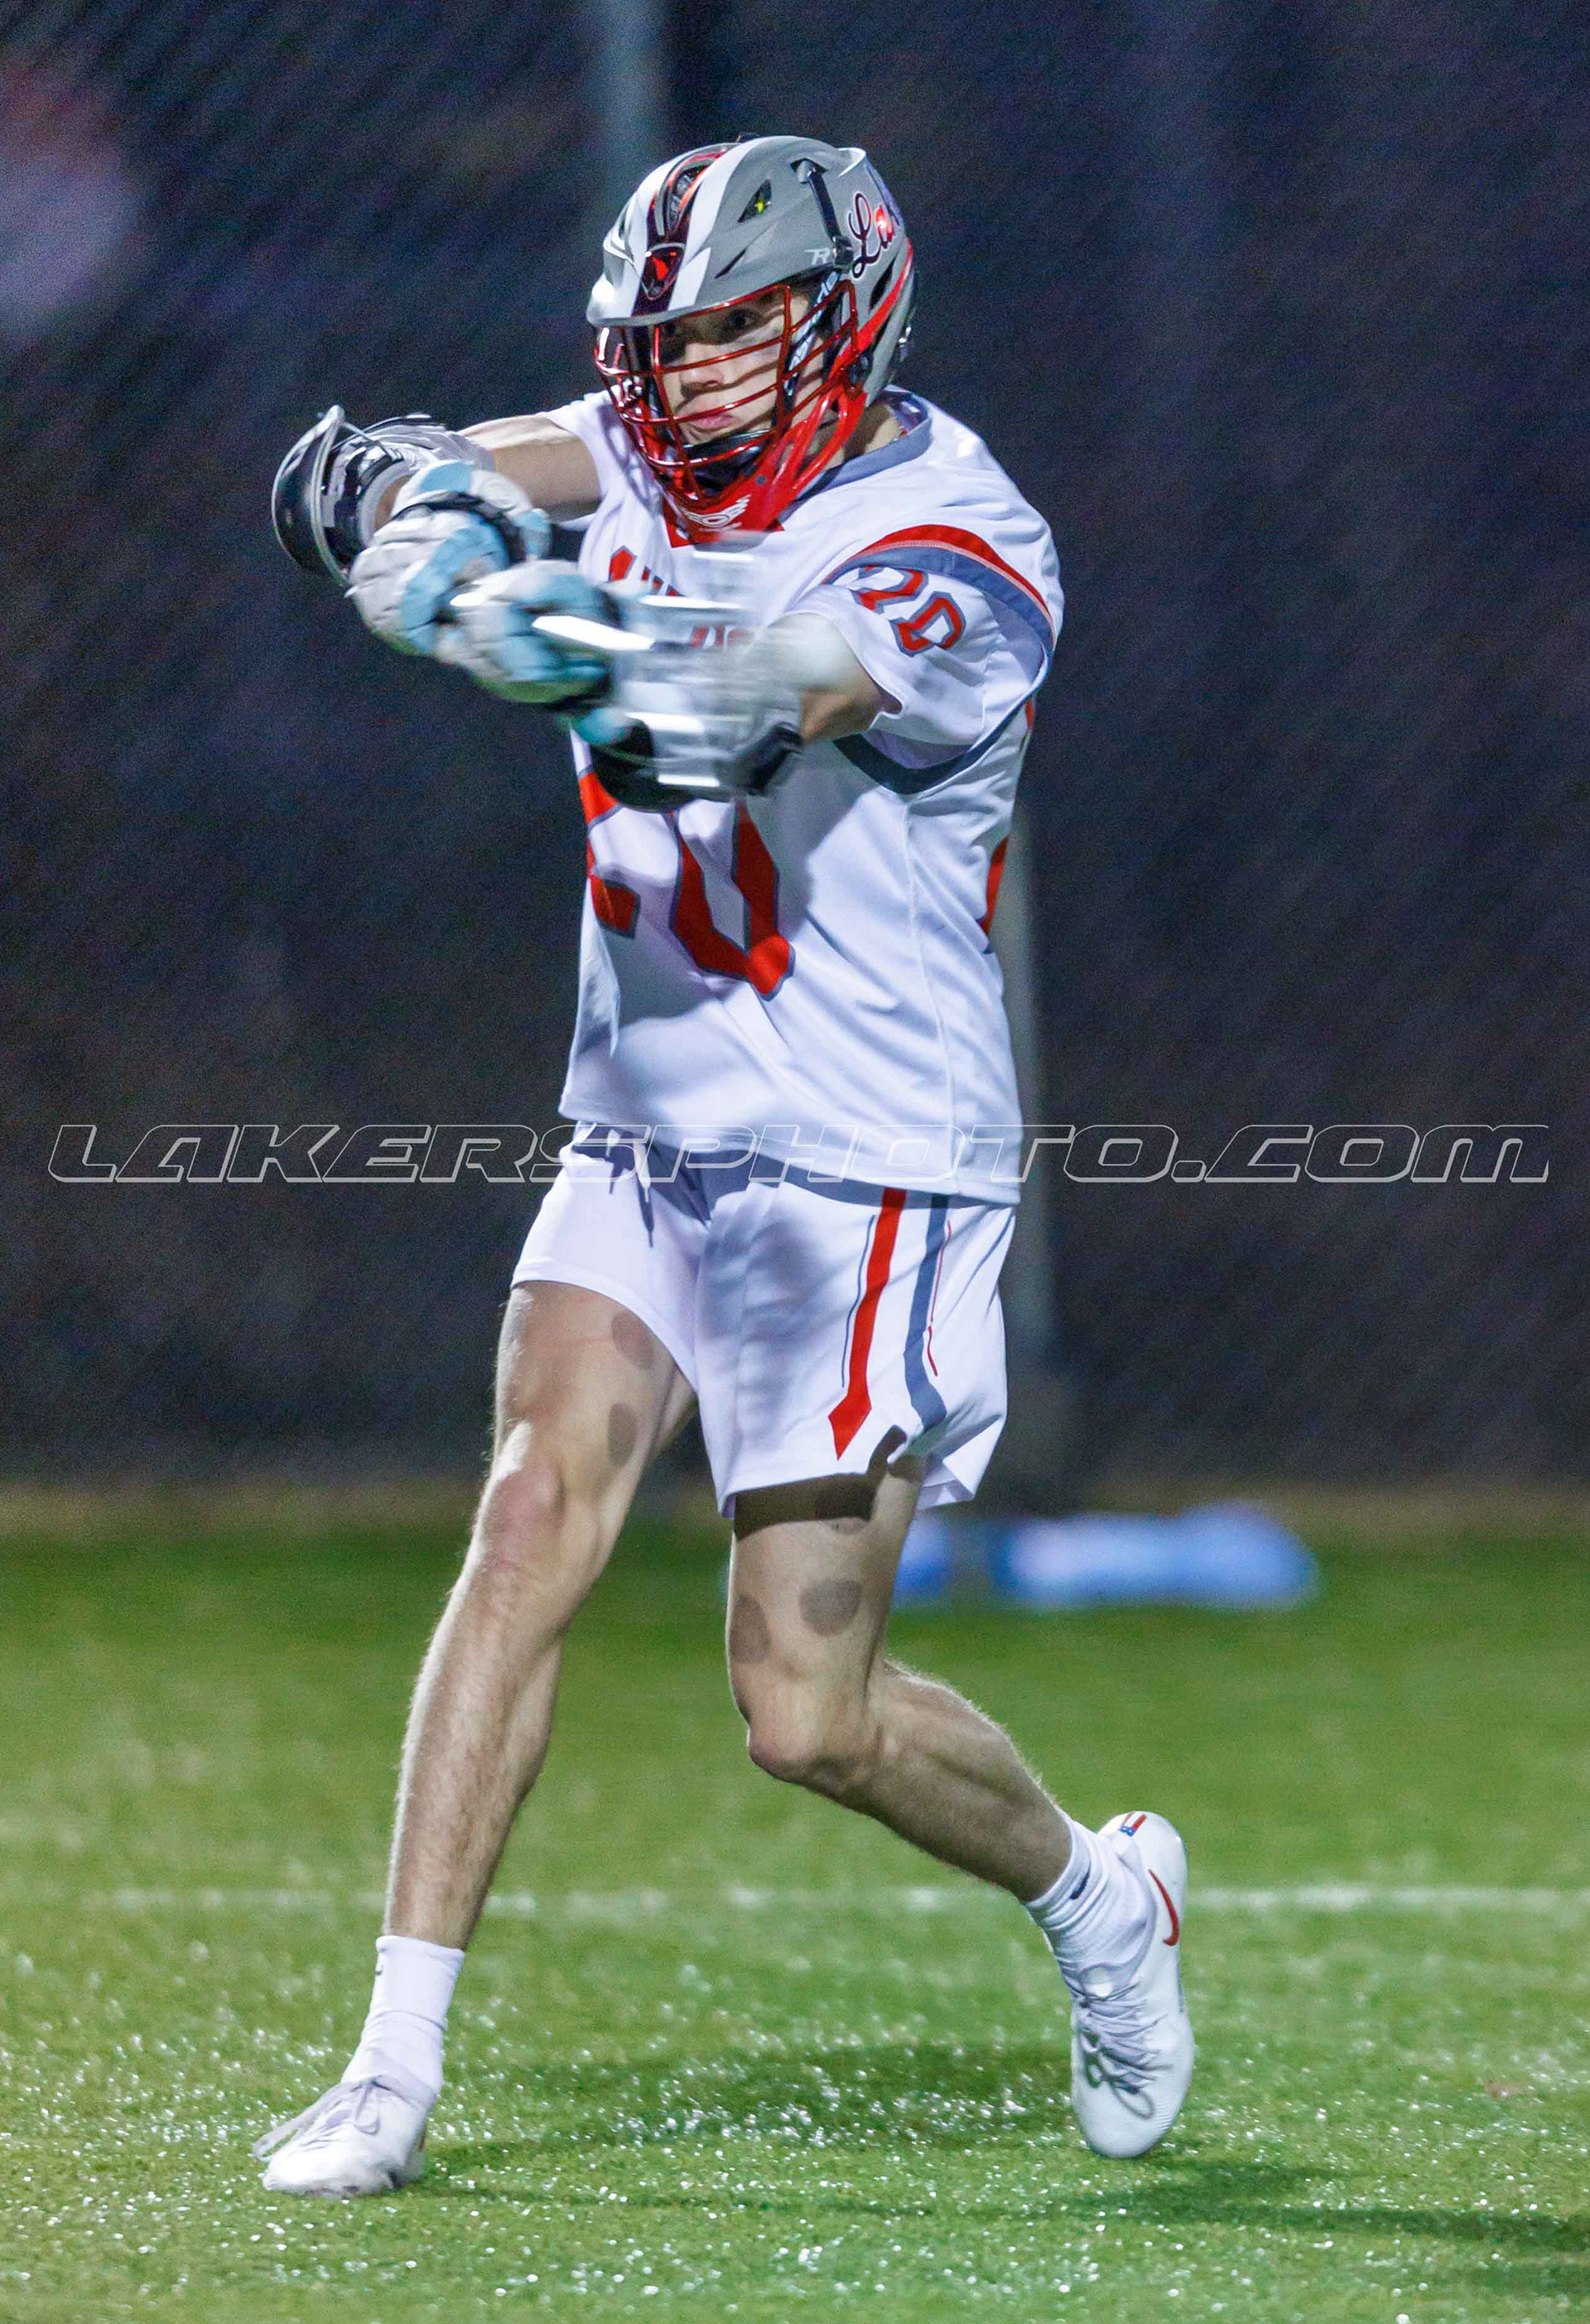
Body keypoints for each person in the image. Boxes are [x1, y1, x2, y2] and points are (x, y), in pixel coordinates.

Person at [255, 135, 1192, 2197]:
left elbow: (759, 702)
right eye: (662, 341)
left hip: (865, 1156)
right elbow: (404, 461)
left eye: (736, 332)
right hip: (651, 1109)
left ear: (847, 321)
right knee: (530, 1509)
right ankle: (391, 2063)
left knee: (805, 1709)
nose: (683, 378)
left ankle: (1100, 1893)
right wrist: (412, 513)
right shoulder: (646, 449)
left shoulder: (963, 533)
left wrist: (525, 628)